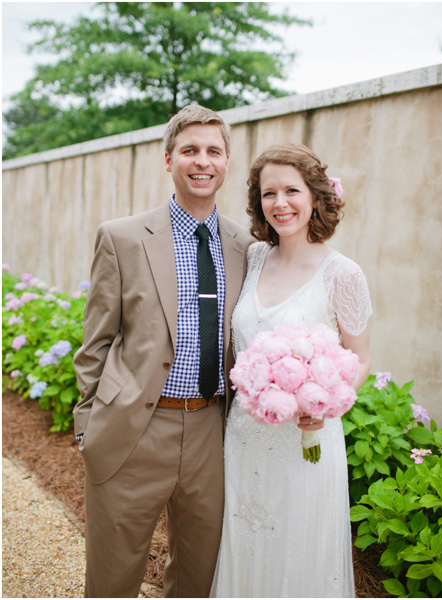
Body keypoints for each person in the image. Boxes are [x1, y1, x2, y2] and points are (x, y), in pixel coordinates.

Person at [73, 105, 254, 597]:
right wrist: (88, 425)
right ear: (169, 159)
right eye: (190, 150)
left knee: (199, 575)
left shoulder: (247, 246)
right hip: (133, 427)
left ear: (227, 161)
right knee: (112, 576)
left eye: (213, 151)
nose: (202, 161)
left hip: (211, 431)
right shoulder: (122, 237)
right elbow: (95, 342)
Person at [210, 143, 372, 597]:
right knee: (244, 542)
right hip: (244, 436)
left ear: (316, 196)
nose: (280, 203)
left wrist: (324, 406)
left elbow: (360, 356)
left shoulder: (343, 274)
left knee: (298, 550)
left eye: (291, 191)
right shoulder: (253, 259)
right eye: (269, 194)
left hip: (307, 437)